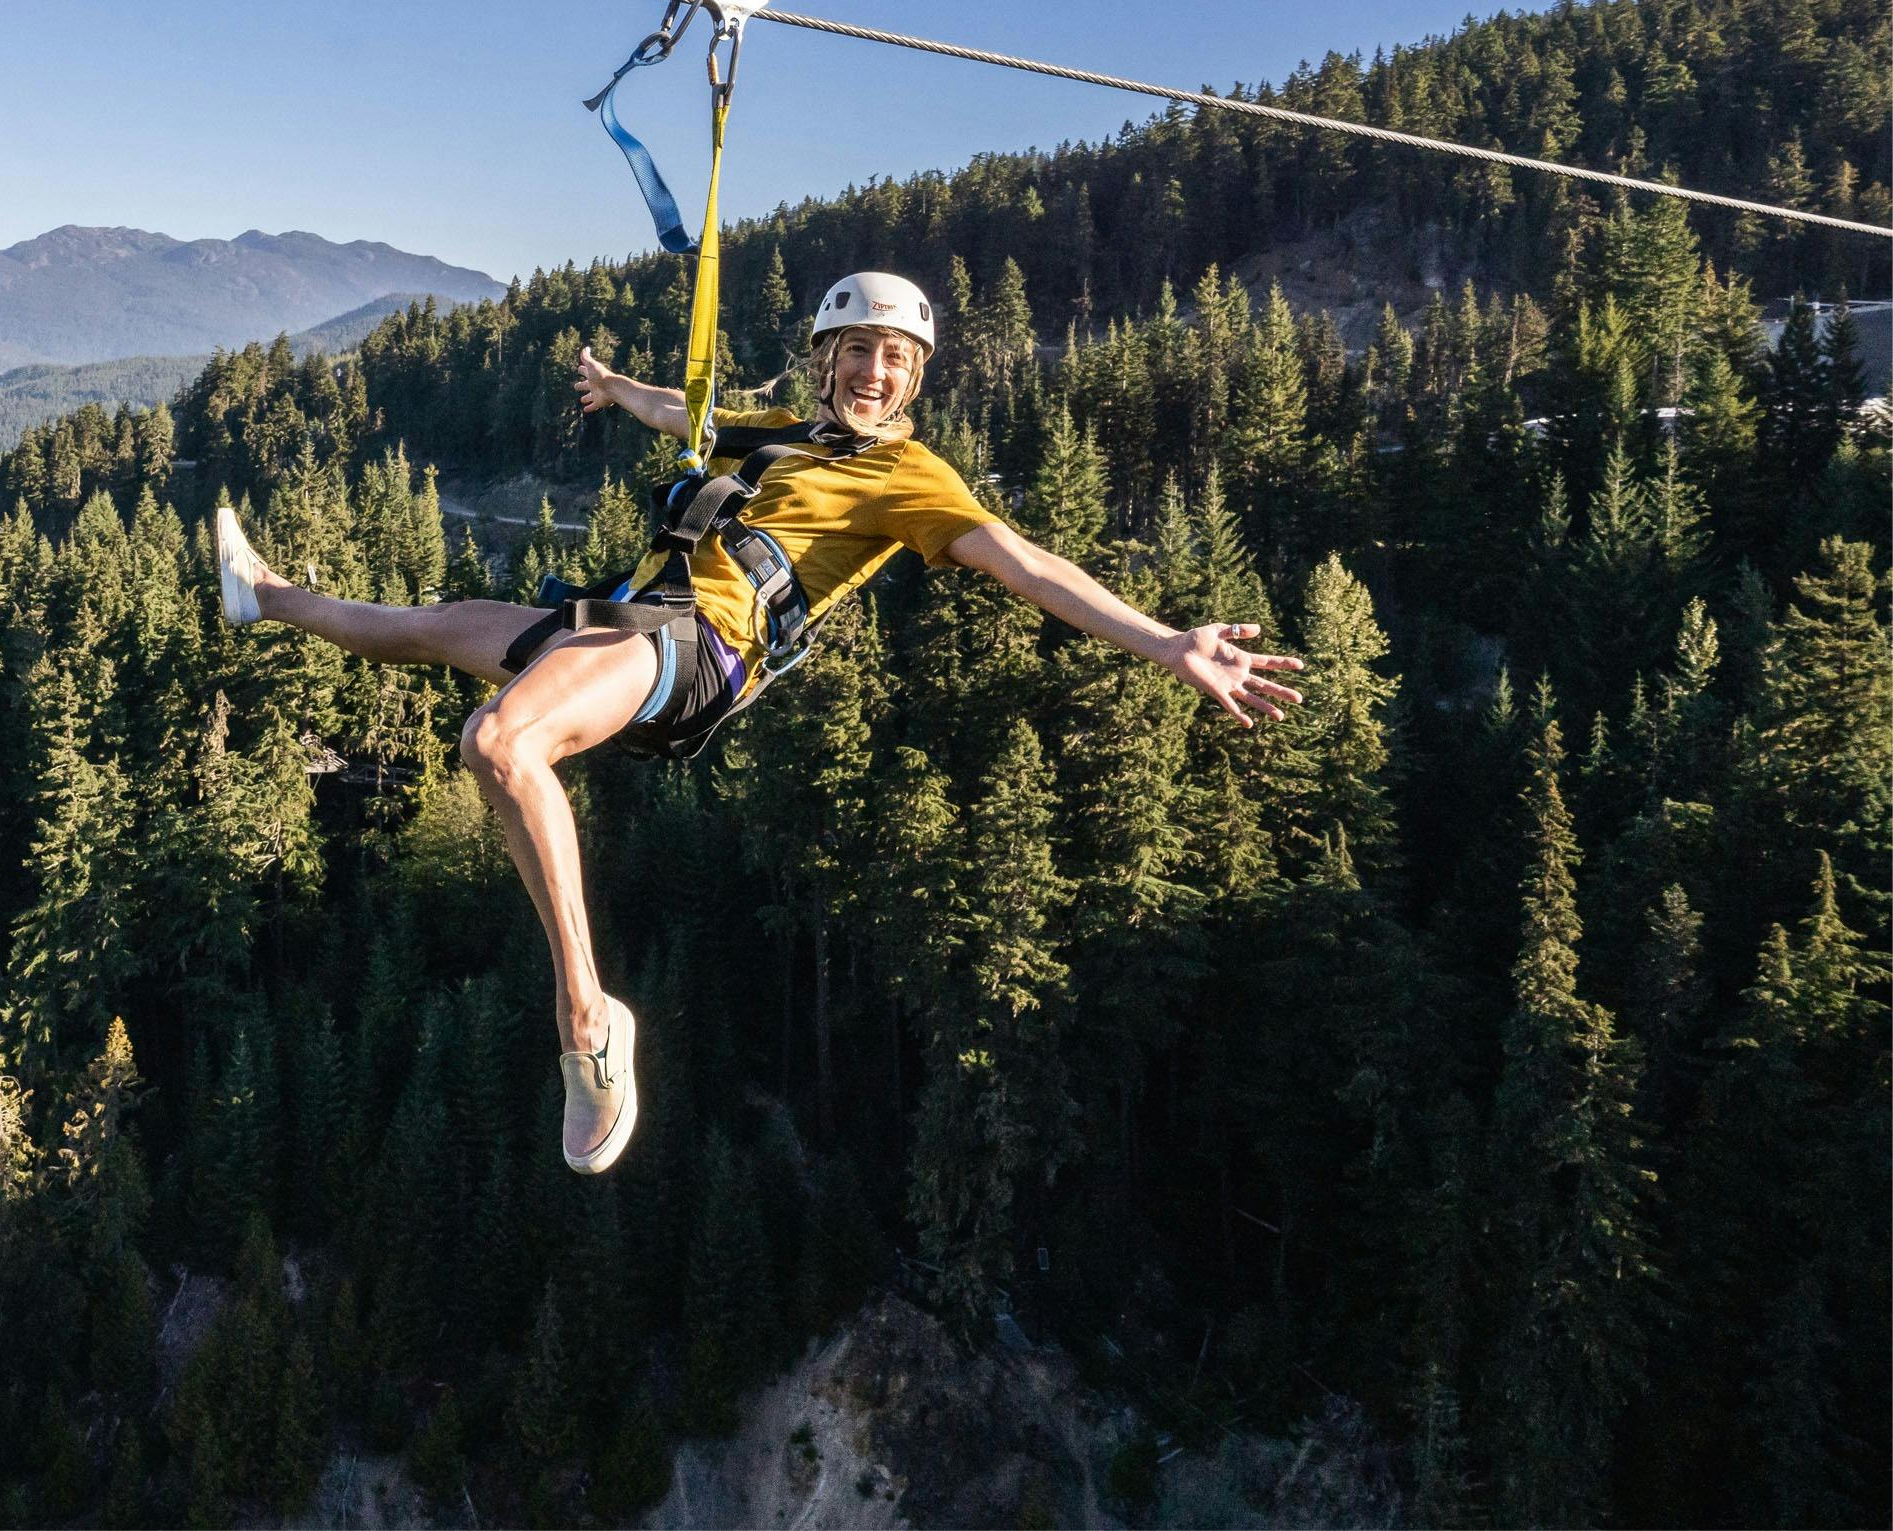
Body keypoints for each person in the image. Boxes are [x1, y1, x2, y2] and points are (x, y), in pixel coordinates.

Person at [211, 270, 1303, 1175]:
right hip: (629, 619)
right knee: (434, 625)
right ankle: (263, 594)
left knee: (496, 741)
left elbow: (1026, 562)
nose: (874, 374)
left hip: (698, 648)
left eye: (895, 360)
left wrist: (1163, 643)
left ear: (913, 377)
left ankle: (588, 1023)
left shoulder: (907, 477)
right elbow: (685, 414)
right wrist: (610, 388)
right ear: (822, 358)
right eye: (857, 352)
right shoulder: (779, 431)